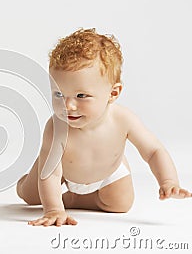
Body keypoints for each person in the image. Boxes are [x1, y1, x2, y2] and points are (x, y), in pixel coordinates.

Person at [16, 28, 191, 226]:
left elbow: (153, 151)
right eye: (58, 94)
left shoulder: (123, 120)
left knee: (120, 204)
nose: (67, 106)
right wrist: (54, 210)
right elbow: (51, 174)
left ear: (113, 94)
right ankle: (27, 185)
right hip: (60, 170)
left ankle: (73, 200)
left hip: (108, 172)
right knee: (31, 197)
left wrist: (168, 181)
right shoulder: (56, 127)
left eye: (81, 96)